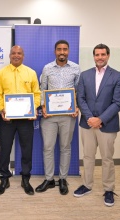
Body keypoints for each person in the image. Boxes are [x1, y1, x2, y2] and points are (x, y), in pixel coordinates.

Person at [73, 44, 120, 207]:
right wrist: (90, 117)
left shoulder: (118, 76)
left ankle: (109, 189)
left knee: (107, 159)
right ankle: (87, 185)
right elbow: (80, 98)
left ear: (108, 56)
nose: (100, 57)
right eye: (97, 55)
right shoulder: (85, 75)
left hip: (107, 125)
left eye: (103, 54)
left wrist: (100, 119)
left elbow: (117, 103)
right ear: (93, 56)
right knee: (88, 157)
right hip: (87, 124)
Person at [0, 45, 41, 196]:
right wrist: (2, 109)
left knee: (27, 149)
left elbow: (37, 94)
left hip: (25, 119)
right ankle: (4, 178)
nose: (16, 55)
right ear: (9, 55)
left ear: (23, 56)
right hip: (7, 119)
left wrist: (32, 109)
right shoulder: (2, 73)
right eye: (13, 53)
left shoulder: (31, 73)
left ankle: (25, 179)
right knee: (5, 149)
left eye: (19, 53)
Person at [36, 40, 80, 195]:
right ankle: (49, 179)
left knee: (65, 148)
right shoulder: (47, 68)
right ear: (55, 51)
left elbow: (78, 91)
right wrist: (43, 107)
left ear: (68, 51)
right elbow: (43, 90)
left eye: (65, 49)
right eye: (59, 49)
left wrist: (77, 108)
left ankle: (62, 179)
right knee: (48, 147)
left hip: (68, 116)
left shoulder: (76, 68)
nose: (62, 52)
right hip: (49, 116)